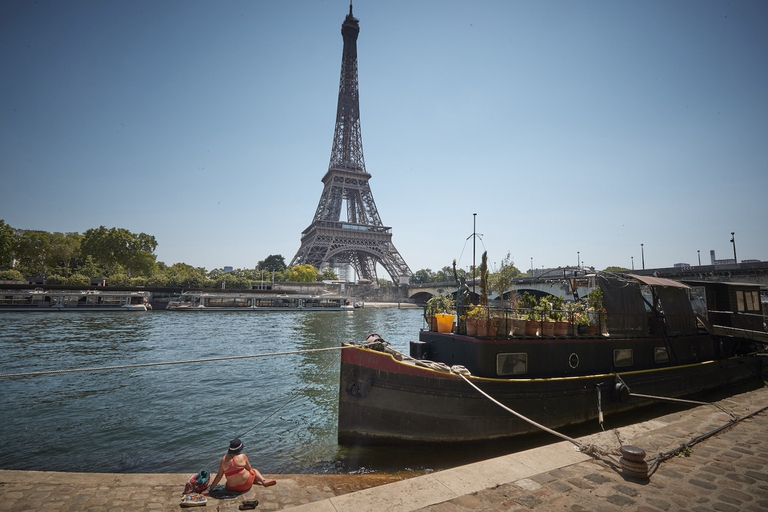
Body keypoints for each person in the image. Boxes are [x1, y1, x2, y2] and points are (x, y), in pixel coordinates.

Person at [204, 438, 276, 494]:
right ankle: (263, 481)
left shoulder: (223, 459)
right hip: (246, 485)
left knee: (237, 473)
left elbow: (219, 476)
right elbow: (249, 468)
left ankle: (253, 479)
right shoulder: (243, 456)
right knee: (254, 470)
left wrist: (209, 489)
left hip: (231, 488)